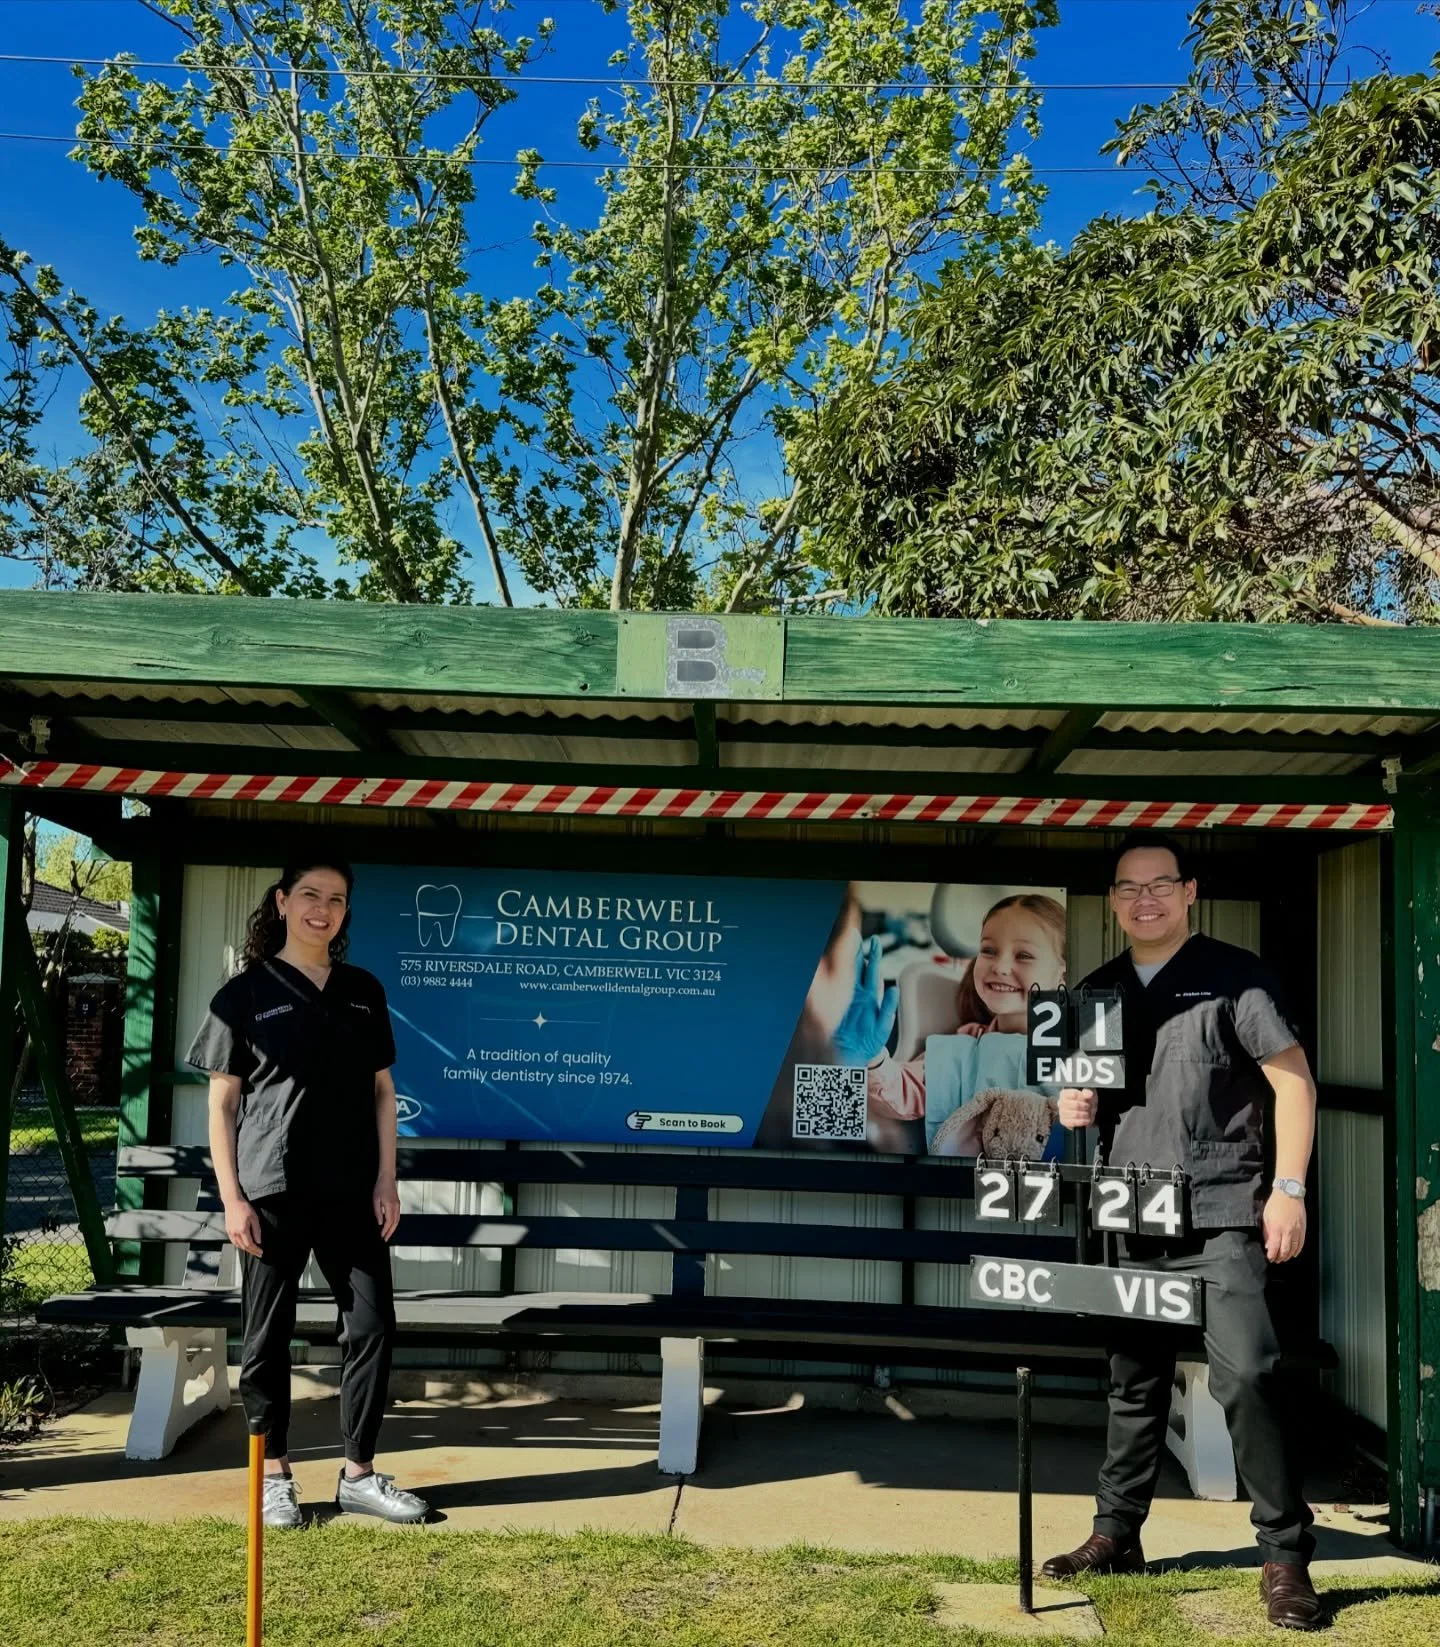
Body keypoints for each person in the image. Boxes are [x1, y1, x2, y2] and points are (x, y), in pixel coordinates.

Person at [1041, 833, 1322, 1632]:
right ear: (1113, 901)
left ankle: (1285, 1552)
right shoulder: (1095, 992)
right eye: (1129, 888)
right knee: (1133, 1383)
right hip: (1130, 1212)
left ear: (1189, 891)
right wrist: (1073, 1106)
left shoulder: (1236, 975)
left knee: (1249, 1374)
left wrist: (1288, 1189)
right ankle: (1116, 1531)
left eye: (1160, 884)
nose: (1146, 899)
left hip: (1224, 1211)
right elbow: (1085, 1096)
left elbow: (1292, 1080)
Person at [187, 856, 429, 1529]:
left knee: (373, 1325)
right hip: (272, 1190)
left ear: (346, 912)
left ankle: (359, 1474)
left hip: (353, 1191)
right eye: (311, 895)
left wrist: (387, 1179)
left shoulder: (362, 990)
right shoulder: (243, 993)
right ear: (283, 900)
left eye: (337, 899)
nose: (323, 909)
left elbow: (383, 1093)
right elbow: (222, 1103)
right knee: (267, 1336)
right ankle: (273, 1476)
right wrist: (232, 1197)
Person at [834, 894, 1067, 1156]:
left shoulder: (1080, 1050)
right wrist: (873, 1057)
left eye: (1023, 955)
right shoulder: (960, 1048)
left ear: (1062, 974)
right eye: (988, 950)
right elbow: (903, 1091)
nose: (1000, 967)